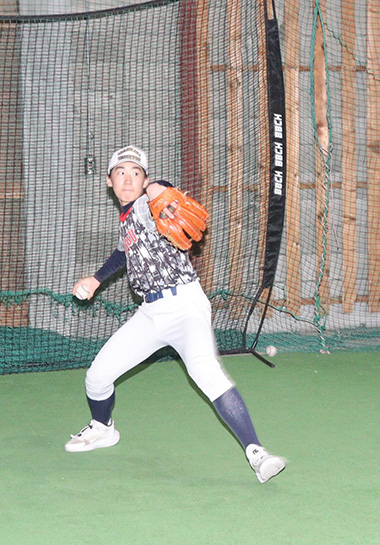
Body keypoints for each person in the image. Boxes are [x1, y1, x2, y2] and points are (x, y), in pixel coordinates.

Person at [65, 145, 285, 484]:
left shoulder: (149, 204)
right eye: (121, 172)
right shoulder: (127, 220)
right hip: (150, 313)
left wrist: (158, 190)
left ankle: (258, 453)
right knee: (96, 377)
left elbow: (161, 189)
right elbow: (124, 252)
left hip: (185, 307)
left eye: (136, 173)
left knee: (206, 373)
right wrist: (95, 280)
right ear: (109, 181)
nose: (128, 178)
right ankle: (102, 428)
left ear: (145, 180)